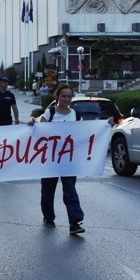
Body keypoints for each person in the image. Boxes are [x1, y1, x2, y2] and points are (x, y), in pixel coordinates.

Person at [26, 82, 86, 235]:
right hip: (50, 159)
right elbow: (39, 129)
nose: (66, 99)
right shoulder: (50, 113)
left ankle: (74, 222)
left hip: (68, 160)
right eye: (63, 96)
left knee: (70, 190)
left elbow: (83, 134)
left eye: (69, 96)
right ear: (57, 97)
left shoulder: (76, 115)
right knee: (47, 189)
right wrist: (32, 123)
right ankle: (48, 216)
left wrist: (106, 125)